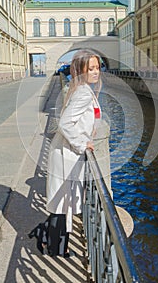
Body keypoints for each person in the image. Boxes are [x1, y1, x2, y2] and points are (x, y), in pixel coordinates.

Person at [29, 49, 102, 258]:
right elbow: (65, 123)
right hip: (67, 154)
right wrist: (82, 143)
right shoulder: (82, 93)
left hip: (67, 153)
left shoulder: (80, 88)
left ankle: (54, 243)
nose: (96, 72)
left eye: (97, 68)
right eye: (91, 69)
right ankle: (54, 246)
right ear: (81, 71)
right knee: (62, 203)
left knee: (63, 203)